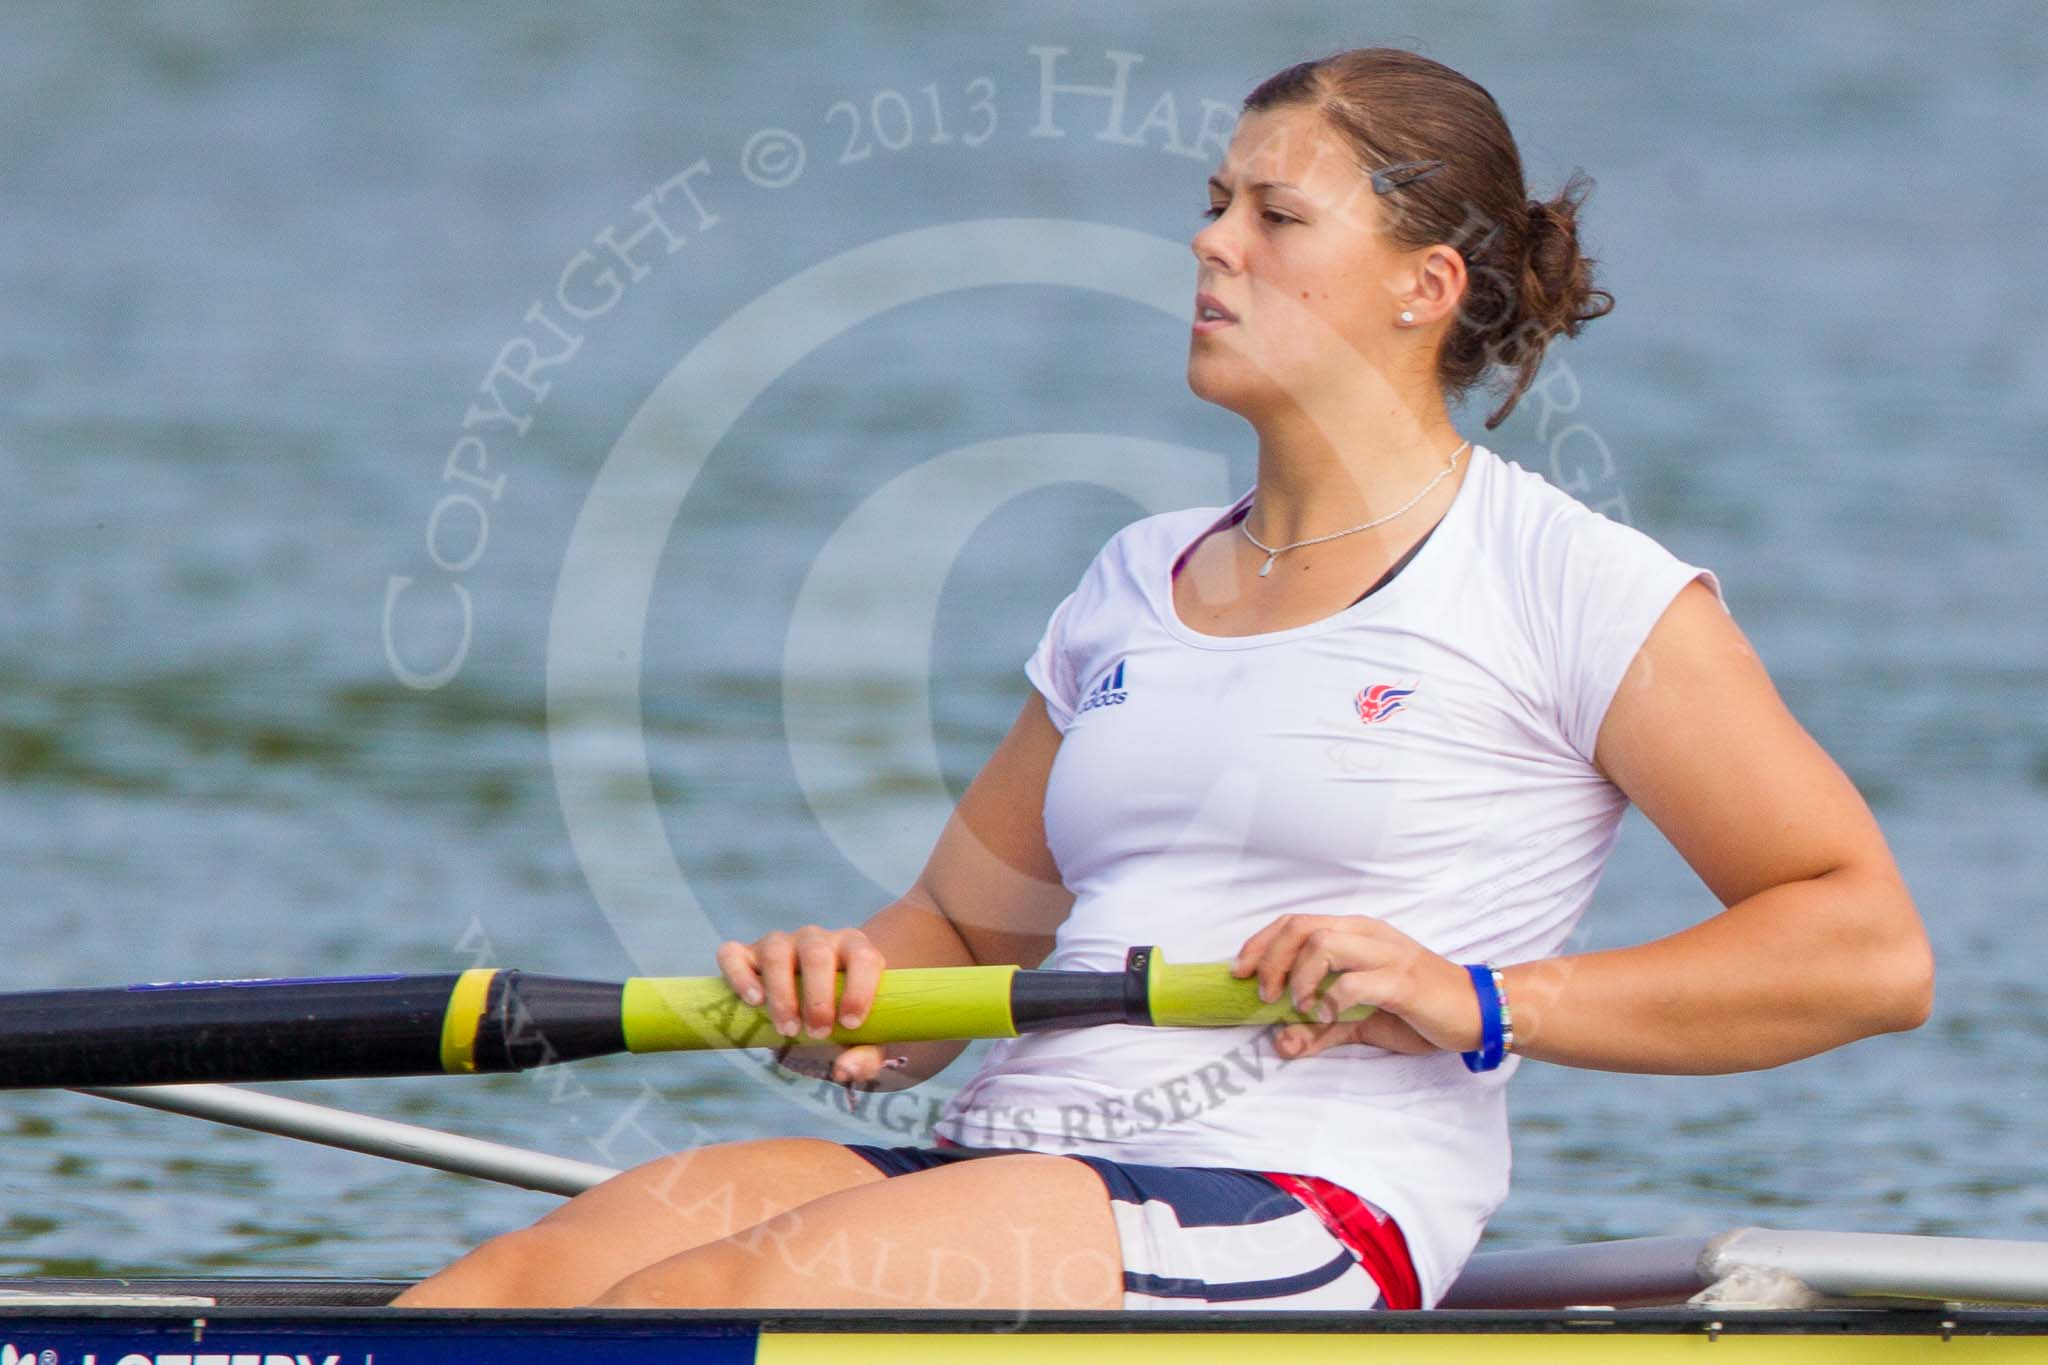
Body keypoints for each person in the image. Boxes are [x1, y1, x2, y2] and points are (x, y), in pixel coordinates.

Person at [393, 47, 1932, 1313]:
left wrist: (1469, 995)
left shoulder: (1573, 584)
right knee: (503, 1295)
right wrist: (846, 991)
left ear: (1426, 285)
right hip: (1000, 1160)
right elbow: (955, 941)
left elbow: (1864, 947)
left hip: (1297, 1195)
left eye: (1276, 214)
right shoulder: (1134, 577)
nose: (1210, 242)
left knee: (712, 1306)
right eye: (1212, 203)